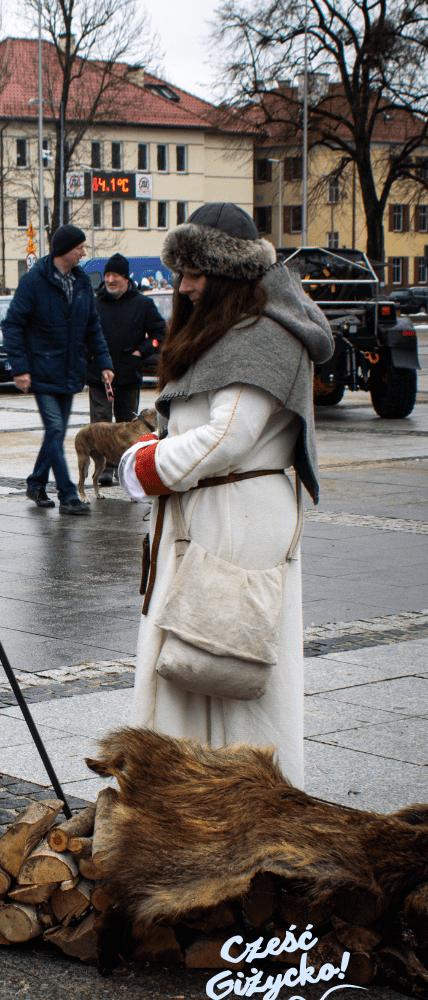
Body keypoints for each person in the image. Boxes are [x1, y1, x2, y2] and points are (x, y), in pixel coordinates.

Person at [119, 203, 333, 787]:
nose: (182, 287)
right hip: (217, 513)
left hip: (235, 519)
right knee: (195, 669)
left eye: (194, 274)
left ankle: (248, 811)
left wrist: (144, 464)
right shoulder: (232, 328)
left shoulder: (261, 333)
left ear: (227, 275)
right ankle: (187, 804)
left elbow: (227, 438)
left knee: (228, 674)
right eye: (180, 272)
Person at [2, 224, 113, 516]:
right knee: (54, 429)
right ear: (64, 249)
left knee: (56, 433)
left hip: (70, 370)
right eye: (79, 247)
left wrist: (104, 363)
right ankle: (67, 495)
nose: (83, 253)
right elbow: (12, 324)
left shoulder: (81, 282)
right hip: (41, 369)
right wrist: (20, 368)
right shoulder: (34, 281)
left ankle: (36, 483)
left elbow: (92, 326)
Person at [87, 252, 167, 484]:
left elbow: (159, 334)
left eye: (115, 275)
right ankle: (103, 468)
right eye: (107, 275)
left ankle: (122, 467)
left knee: (127, 426)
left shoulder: (143, 304)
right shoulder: (94, 304)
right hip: (99, 375)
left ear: (126, 278)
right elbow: (80, 335)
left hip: (128, 374)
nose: (110, 280)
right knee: (100, 424)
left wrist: (141, 351)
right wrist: (90, 356)